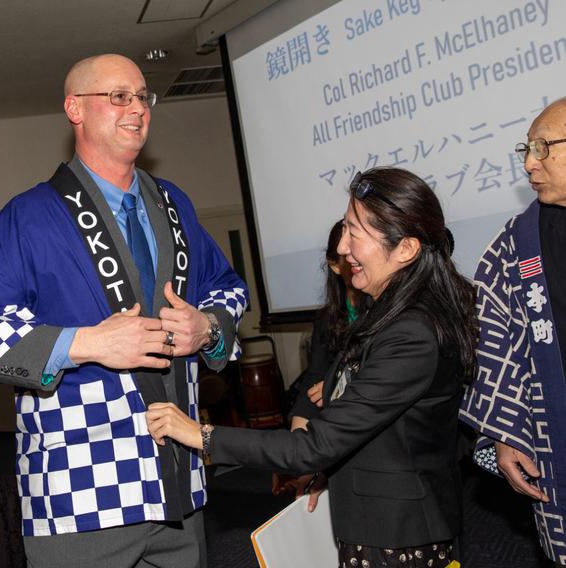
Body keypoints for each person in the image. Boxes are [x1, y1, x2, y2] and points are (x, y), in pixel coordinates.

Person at [0, 54, 246, 568]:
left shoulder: (174, 204)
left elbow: (229, 290)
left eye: (143, 96)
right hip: (82, 499)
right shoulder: (30, 217)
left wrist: (206, 327)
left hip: (179, 486)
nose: (137, 109)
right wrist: (88, 344)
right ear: (74, 108)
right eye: (118, 96)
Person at [148, 167, 476, 566]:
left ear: (405, 249)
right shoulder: (391, 313)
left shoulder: (411, 332)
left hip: (401, 538)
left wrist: (201, 435)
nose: (341, 247)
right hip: (382, 523)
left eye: (355, 232)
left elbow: (314, 445)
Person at [459, 97, 566, 564]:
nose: (528, 162)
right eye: (527, 147)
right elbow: (494, 344)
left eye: (544, 147)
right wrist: (506, 432)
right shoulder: (517, 245)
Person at [273, 219, 361, 504]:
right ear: (334, 265)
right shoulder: (327, 318)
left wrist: (334, 388)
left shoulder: (387, 309)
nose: (354, 257)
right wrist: (302, 455)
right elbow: (313, 380)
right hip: (336, 423)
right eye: (345, 256)